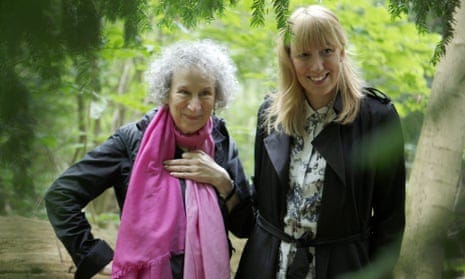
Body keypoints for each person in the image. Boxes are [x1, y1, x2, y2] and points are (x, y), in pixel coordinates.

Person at [44, 39, 252, 279]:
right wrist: (95, 257)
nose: (195, 106)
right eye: (184, 92)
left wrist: (224, 182)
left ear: (217, 97)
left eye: (205, 93)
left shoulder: (221, 141)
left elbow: (244, 226)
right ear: (167, 93)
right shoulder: (133, 140)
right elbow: (61, 196)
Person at [235, 5, 406, 279]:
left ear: (341, 51)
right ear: (289, 59)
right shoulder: (271, 115)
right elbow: (261, 205)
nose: (317, 66)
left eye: (326, 51)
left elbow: (390, 222)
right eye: (304, 54)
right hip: (269, 266)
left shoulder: (377, 118)